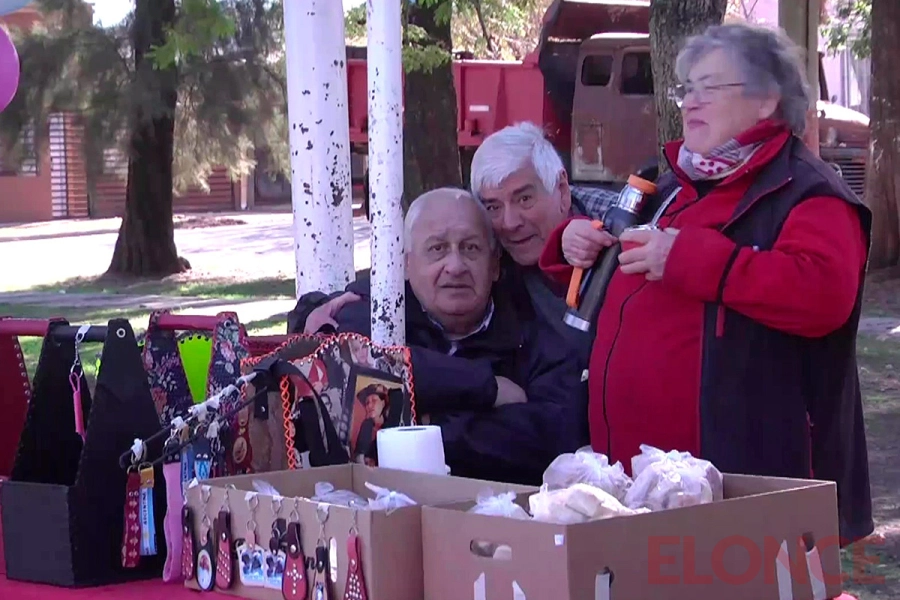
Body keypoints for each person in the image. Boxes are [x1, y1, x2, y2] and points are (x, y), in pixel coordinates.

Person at [539, 22, 873, 545]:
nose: (690, 102)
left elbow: (823, 295)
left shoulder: (807, 191)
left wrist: (690, 259)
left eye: (709, 87)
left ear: (766, 100)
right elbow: (619, 268)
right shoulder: (671, 183)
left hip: (745, 491)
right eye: (686, 88)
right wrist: (572, 247)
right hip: (638, 482)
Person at [290, 122, 620, 369]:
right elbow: (422, 267)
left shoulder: (619, 223)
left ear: (561, 189)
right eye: (492, 205)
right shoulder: (502, 250)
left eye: (524, 198)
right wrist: (323, 304)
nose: (509, 220)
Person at [331, 187, 587, 484]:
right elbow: (349, 354)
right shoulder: (376, 317)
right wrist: (485, 388)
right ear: (405, 265)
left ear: (494, 266)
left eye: (470, 248)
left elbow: (552, 440)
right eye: (437, 249)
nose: (455, 267)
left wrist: (429, 426)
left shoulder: (538, 341)